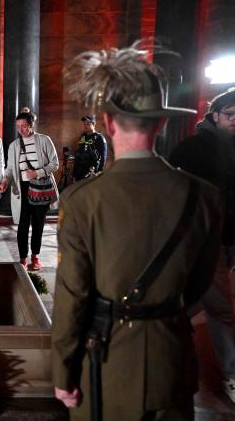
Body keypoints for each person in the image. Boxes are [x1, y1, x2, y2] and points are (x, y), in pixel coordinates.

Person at [52, 42, 222, 421]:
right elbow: (198, 284)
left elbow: (72, 299)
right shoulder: (205, 197)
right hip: (172, 366)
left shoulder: (82, 201)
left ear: (109, 123)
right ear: (161, 122)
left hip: (105, 370)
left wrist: (63, 372)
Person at [170, 87, 235, 411]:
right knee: (215, 307)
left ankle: (168, 359)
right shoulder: (194, 148)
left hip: (226, 240)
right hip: (195, 241)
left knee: (206, 306)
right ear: (215, 114)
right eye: (230, 115)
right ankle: (231, 374)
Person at [0, 111, 59, 270]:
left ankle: (35, 257)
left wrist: (37, 173)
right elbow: (10, 168)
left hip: (40, 188)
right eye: (18, 127)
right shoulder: (14, 146)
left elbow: (55, 163)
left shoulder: (44, 140)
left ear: (31, 125)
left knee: (38, 224)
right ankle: (23, 258)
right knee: (22, 226)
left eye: (24, 126)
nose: (21, 129)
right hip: (22, 190)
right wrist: (5, 181)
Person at [73, 115, 107, 181]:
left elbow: (103, 156)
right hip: (80, 170)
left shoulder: (99, 138)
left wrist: (99, 172)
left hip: (92, 171)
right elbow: (79, 152)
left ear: (93, 124)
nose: (85, 126)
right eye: (84, 124)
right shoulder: (83, 136)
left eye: (88, 124)